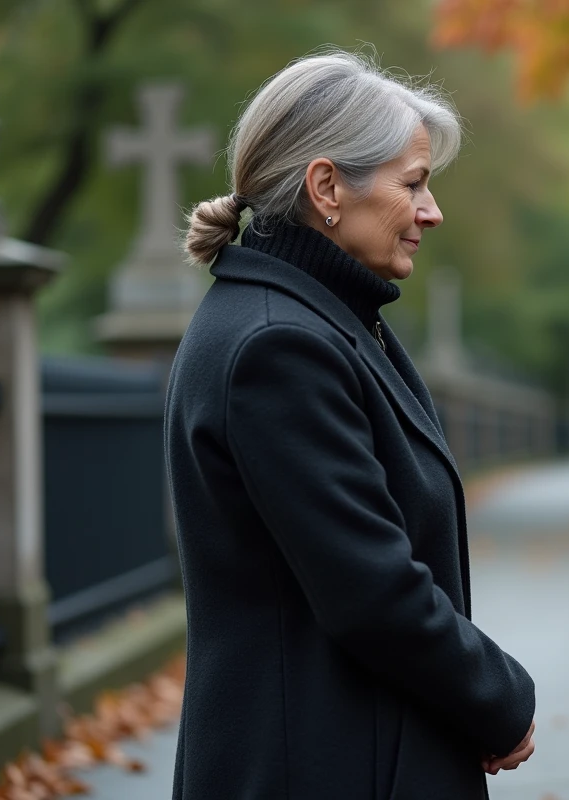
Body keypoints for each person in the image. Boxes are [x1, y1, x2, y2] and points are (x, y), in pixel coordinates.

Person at [165, 49, 536, 799]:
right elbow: (370, 587)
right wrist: (501, 699)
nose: (432, 211)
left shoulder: (322, 319)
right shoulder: (280, 344)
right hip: (322, 764)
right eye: (414, 183)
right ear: (327, 186)